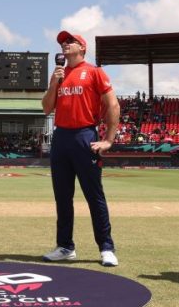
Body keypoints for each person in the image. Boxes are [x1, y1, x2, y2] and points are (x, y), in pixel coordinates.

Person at [41, 31, 121, 267]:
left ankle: (106, 247)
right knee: (62, 197)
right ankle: (65, 246)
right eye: (62, 43)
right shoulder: (59, 74)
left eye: (70, 42)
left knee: (94, 196)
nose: (64, 45)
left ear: (82, 48)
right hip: (61, 137)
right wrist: (54, 82)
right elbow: (46, 108)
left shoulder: (94, 72)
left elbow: (113, 104)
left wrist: (108, 139)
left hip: (85, 135)